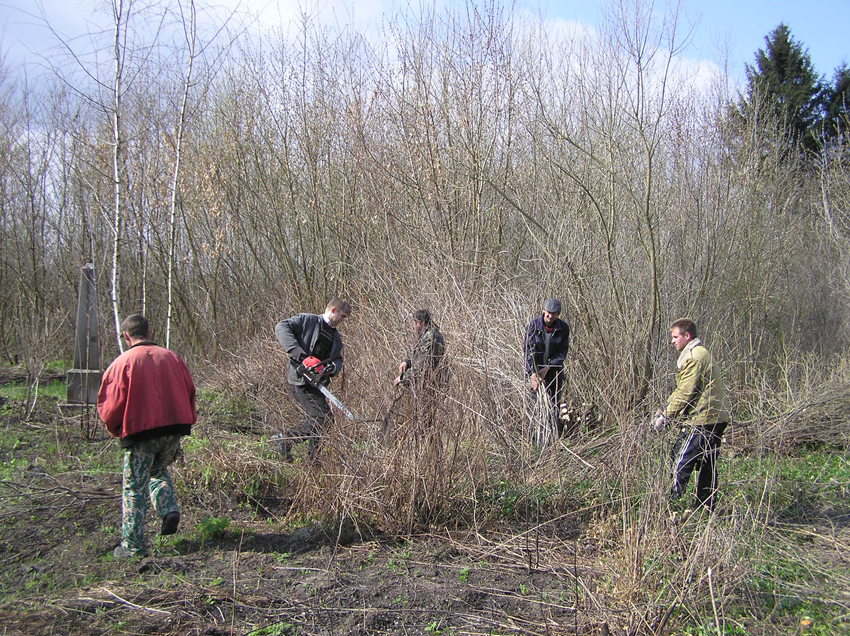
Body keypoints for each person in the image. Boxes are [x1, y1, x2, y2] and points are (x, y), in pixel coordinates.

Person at [97, 314, 196, 559]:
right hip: (173, 431)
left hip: (141, 433)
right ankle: (168, 508)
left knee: (134, 489)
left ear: (126, 336)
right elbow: (190, 391)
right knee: (156, 469)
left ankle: (133, 547)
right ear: (149, 333)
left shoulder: (123, 363)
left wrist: (116, 430)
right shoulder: (173, 358)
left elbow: (109, 407)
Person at [653, 318, 731, 511]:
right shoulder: (700, 353)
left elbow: (685, 392)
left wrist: (664, 414)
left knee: (680, 460)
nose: (672, 341)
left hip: (703, 419)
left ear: (687, 336)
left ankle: (671, 505)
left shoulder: (694, 357)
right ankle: (706, 507)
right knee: (707, 464)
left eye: (675, 337)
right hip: (717, 418)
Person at [274, 298, 351, 457]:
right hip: (300, 380)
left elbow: (338, 359)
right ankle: (286, 440)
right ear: (333, 310)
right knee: (321, 418)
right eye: (342, 316)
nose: (342, 321)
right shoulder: (307, 320)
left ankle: (310, 456)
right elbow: (281, 327)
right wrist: (296, 351)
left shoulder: (335, 338)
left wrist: (332, 367)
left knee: (325, 420)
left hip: (317, 383)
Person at [524, 298, 570, 435]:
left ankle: (552, 439)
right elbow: (528, 351)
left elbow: (562, 353)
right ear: (543, 310)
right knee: (535, 409)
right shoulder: (532, 326)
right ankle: (534, 440)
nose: (550, 316)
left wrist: (548, 367)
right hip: (535, 373)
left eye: (554, 314)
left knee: (553, 407)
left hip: (554, 373)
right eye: (548, 313)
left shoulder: (563, 328)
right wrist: (533, 374)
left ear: (558, 314)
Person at [393, 309, 446, 388]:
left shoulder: (431, 338)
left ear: (419, 323)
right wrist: (406, 362)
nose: (413, 326)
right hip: (427, 384)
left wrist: (402, 378)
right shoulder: (427, 334)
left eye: (414, 322)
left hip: (431, 386)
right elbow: (416, 352)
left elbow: (421, 366)